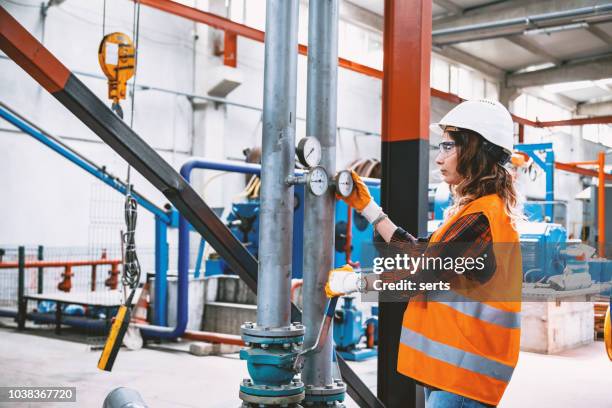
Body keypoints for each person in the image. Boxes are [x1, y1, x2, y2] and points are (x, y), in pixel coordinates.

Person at [326, 99, 523, 407]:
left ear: (474, 150)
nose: (439, 159)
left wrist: (355, 284)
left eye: (447, 147)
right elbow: (422, 253)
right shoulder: (476, 212)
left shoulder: (481, 218)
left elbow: (420, 276)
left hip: (462, 379)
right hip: (454, 373)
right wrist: (370, 210)